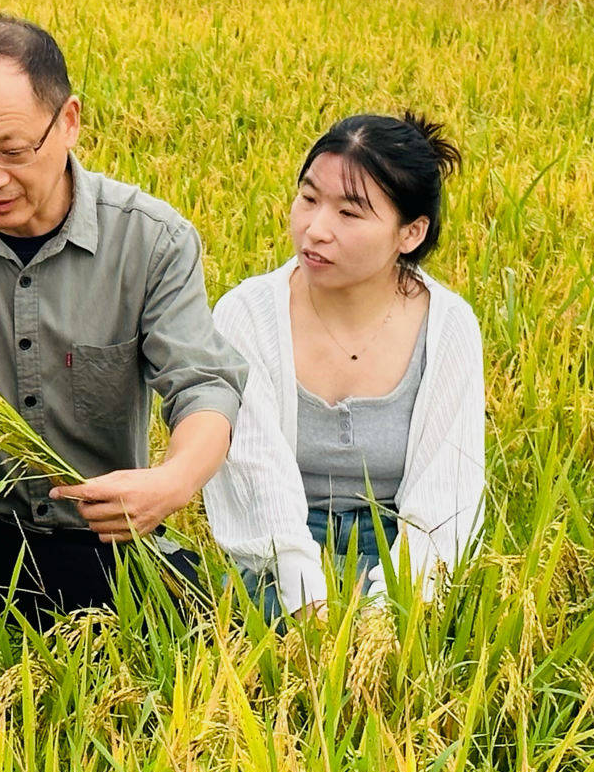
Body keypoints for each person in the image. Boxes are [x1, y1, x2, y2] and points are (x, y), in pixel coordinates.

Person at [0, 13, 247, 731]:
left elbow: (203, 386)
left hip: (92, 534)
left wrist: (171, 483)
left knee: (195, 637)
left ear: (70, 123)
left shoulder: (152, 241)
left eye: (12, 149)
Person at [203, 113, 485, 620]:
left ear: (411, 233)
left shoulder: (449, 329)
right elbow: (255, 481)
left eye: (349, 214)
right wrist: (310, 606)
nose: (316, 229)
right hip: (274, 548)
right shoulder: (247, 315)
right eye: (309, 199)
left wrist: (384, 614)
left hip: (397, 542)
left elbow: (445, 502)